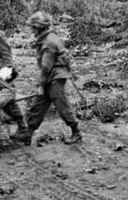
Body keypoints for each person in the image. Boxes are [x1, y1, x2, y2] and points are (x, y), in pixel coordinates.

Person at [10, 11, 82, 146]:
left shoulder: (48, 42)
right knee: (39, 104)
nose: (32, 31)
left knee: (61, 104)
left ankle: (76, 132)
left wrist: (40, 85)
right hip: (52, 75)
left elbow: (46, 68)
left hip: (55, 77)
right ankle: (28, 134)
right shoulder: (49, 37)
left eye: (33, 28)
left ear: (38, 27)